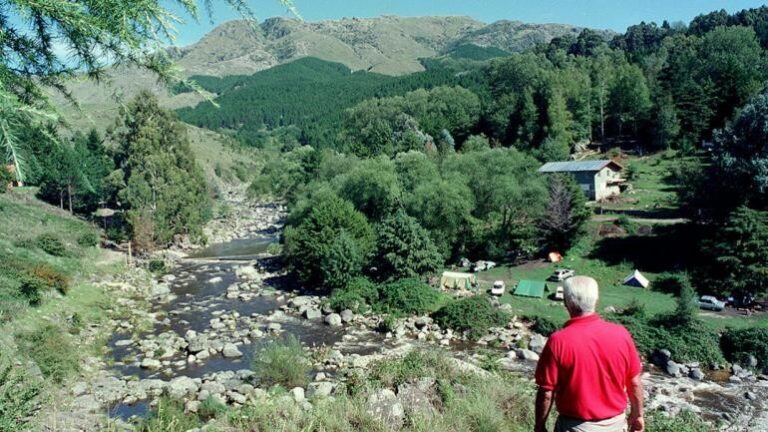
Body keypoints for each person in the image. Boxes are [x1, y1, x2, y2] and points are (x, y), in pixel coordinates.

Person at [534, 276, 644, 432]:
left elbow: (546, 392)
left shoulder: (558, 341)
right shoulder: (621, 334)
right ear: (596, 300)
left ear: (566, 303)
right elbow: (634, 382)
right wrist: (638, 415)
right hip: (615, 426)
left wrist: (539, 426)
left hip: (575, 427)